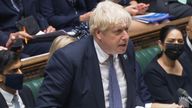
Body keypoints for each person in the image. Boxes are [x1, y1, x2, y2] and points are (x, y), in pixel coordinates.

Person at [36, 1, 138, 108]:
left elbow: (131, 94)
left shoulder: (127, 48)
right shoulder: (69, 58)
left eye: (126, 29)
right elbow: (46, 105)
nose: (126, 37)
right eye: (118, 31)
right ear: (98, 33)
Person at [144, 25, 192, 107]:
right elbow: (170, 104)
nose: (176, 44)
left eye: (180, 41)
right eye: (171, 41)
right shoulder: (152, 72)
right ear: (161, 44)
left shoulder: (184, 59)